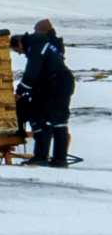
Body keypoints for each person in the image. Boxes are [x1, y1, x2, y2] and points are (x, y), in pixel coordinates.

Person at [13, 20, 75, 168]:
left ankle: (58, 159)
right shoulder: (44, 44)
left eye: (17, 51)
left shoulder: (36, 46)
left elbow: (32, 71)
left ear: (20, 43)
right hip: (52, 84)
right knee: (40, 118)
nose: (20, 54)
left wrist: (20, 92)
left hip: (58, 84)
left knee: (58, 120)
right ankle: (43, 156)